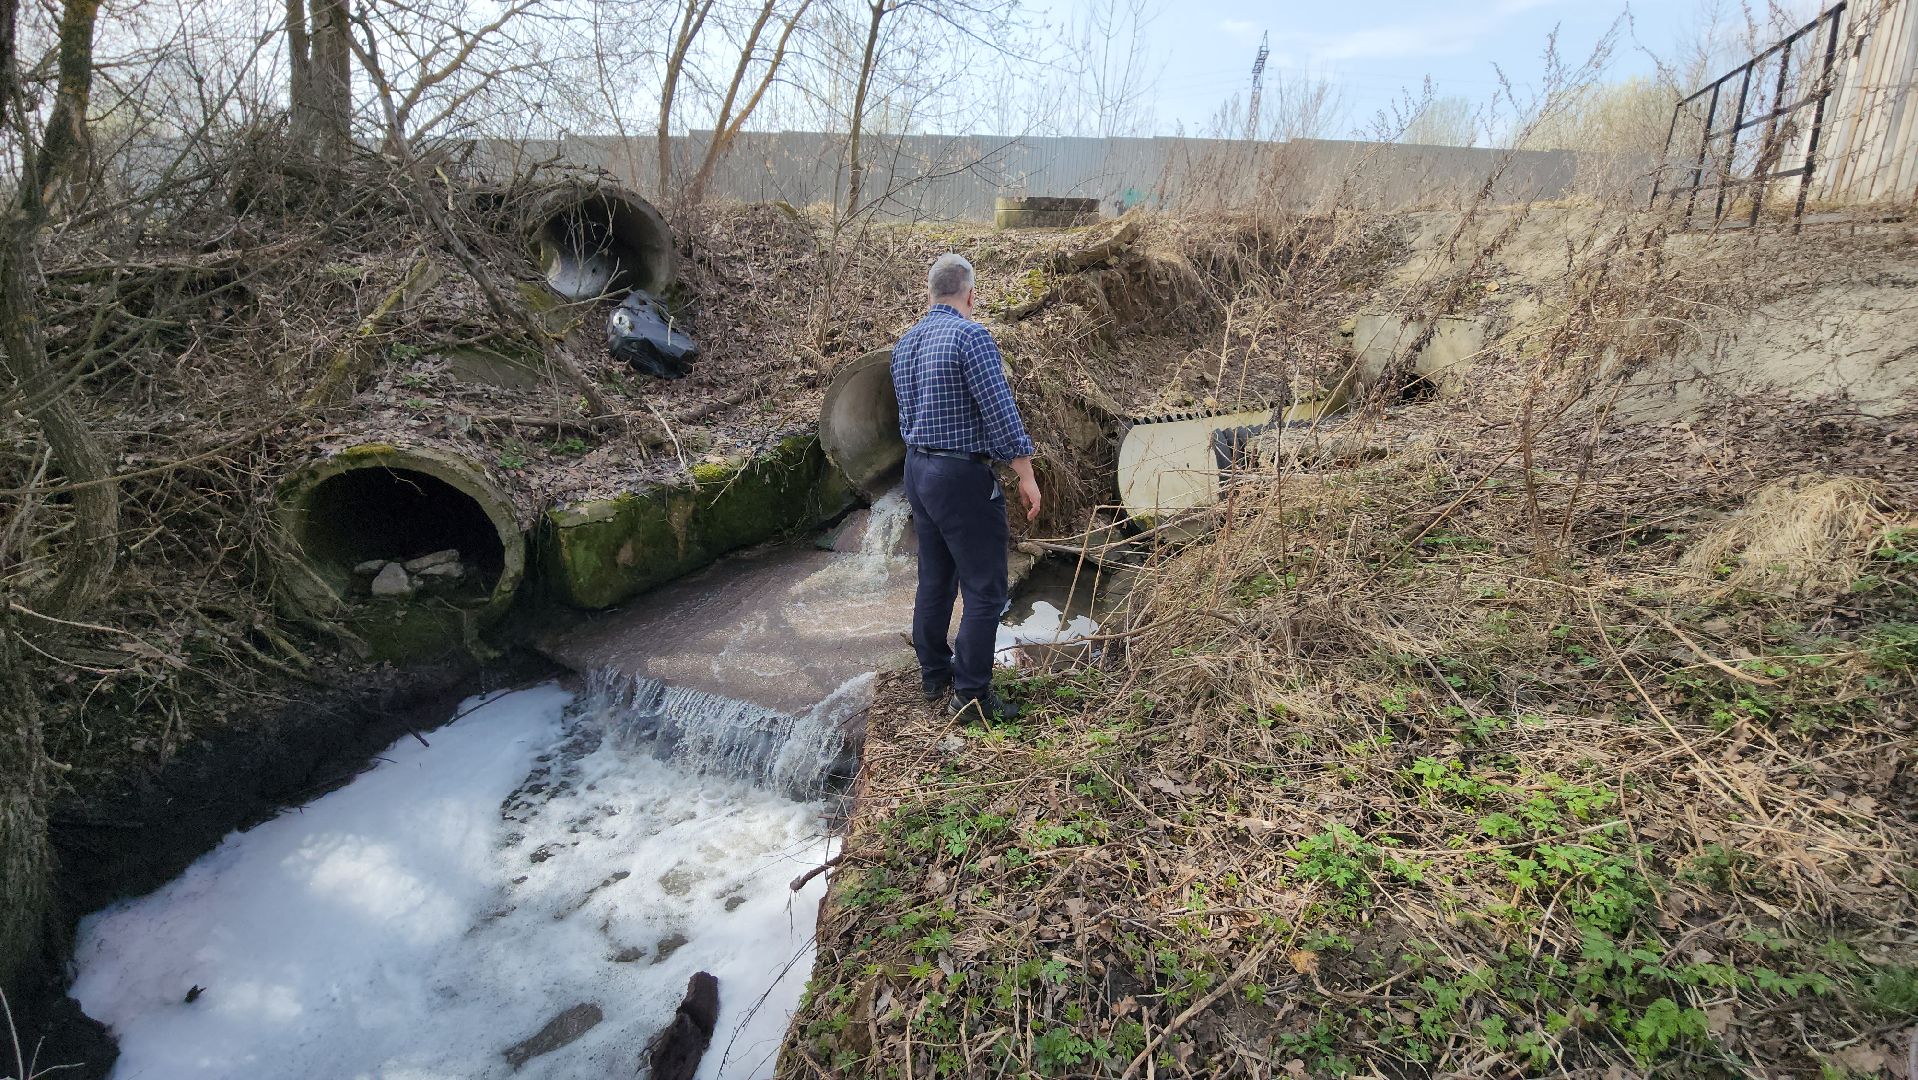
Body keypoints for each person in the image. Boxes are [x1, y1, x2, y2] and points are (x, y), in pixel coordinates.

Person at [892, 253, 1041, 722]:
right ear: (970, 294)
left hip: (917, 472)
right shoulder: (971, 336)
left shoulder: (906, 343)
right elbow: (999, 411)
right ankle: (971, 695)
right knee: (986, 588)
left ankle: (935, 674)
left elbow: (904, 414)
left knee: (935, 578)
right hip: (959, 476)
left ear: (930, 291)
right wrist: (1026, 473)